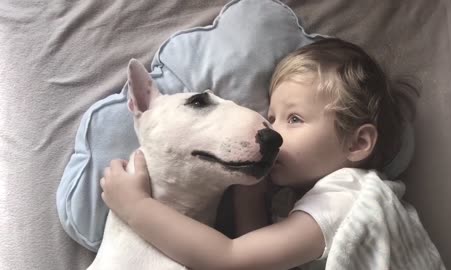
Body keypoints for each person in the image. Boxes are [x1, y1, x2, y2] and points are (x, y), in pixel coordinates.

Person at [100, 38, 423, 269]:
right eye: (272, 118)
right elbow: (259, 259)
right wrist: (250, 199)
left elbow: (232, 258)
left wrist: (135, 206)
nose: (274, 133)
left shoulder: (348, 197)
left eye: (294, 119)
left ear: (357, 144)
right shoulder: (295, 204)